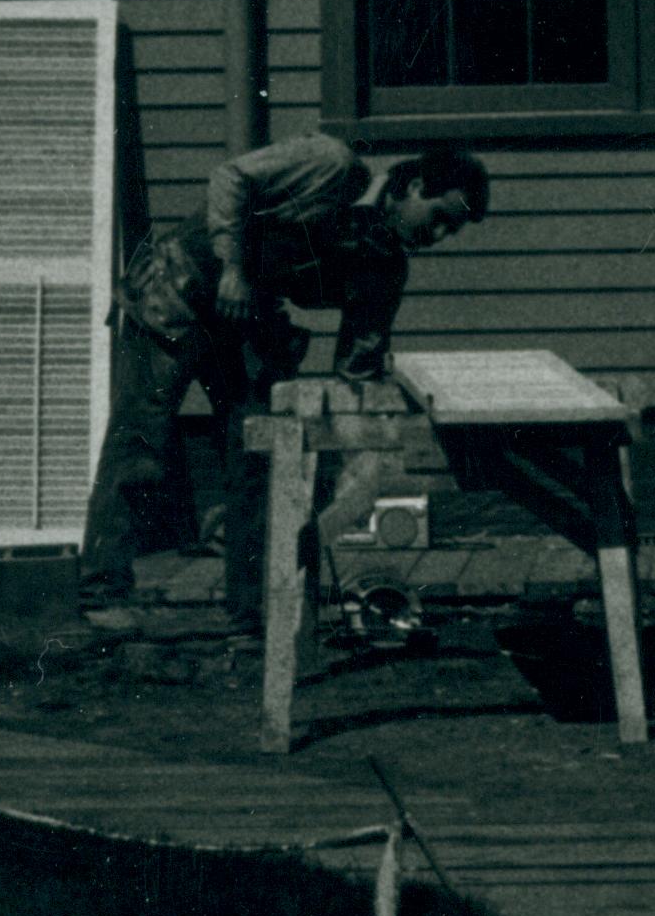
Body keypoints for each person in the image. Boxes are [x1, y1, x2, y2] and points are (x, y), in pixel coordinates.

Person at [72, 130, 490, 631]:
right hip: (180, 294)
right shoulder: (332, 166)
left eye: (453, 231)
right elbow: (230, 177)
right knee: (141, 440)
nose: (439, 236)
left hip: (245, 320)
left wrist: (363, 429)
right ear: (415, 186)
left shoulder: (384, 265)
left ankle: (250, 610)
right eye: (440, 218)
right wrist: (232, 266)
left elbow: (358, 362)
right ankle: (103, 594)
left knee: (259, 454)